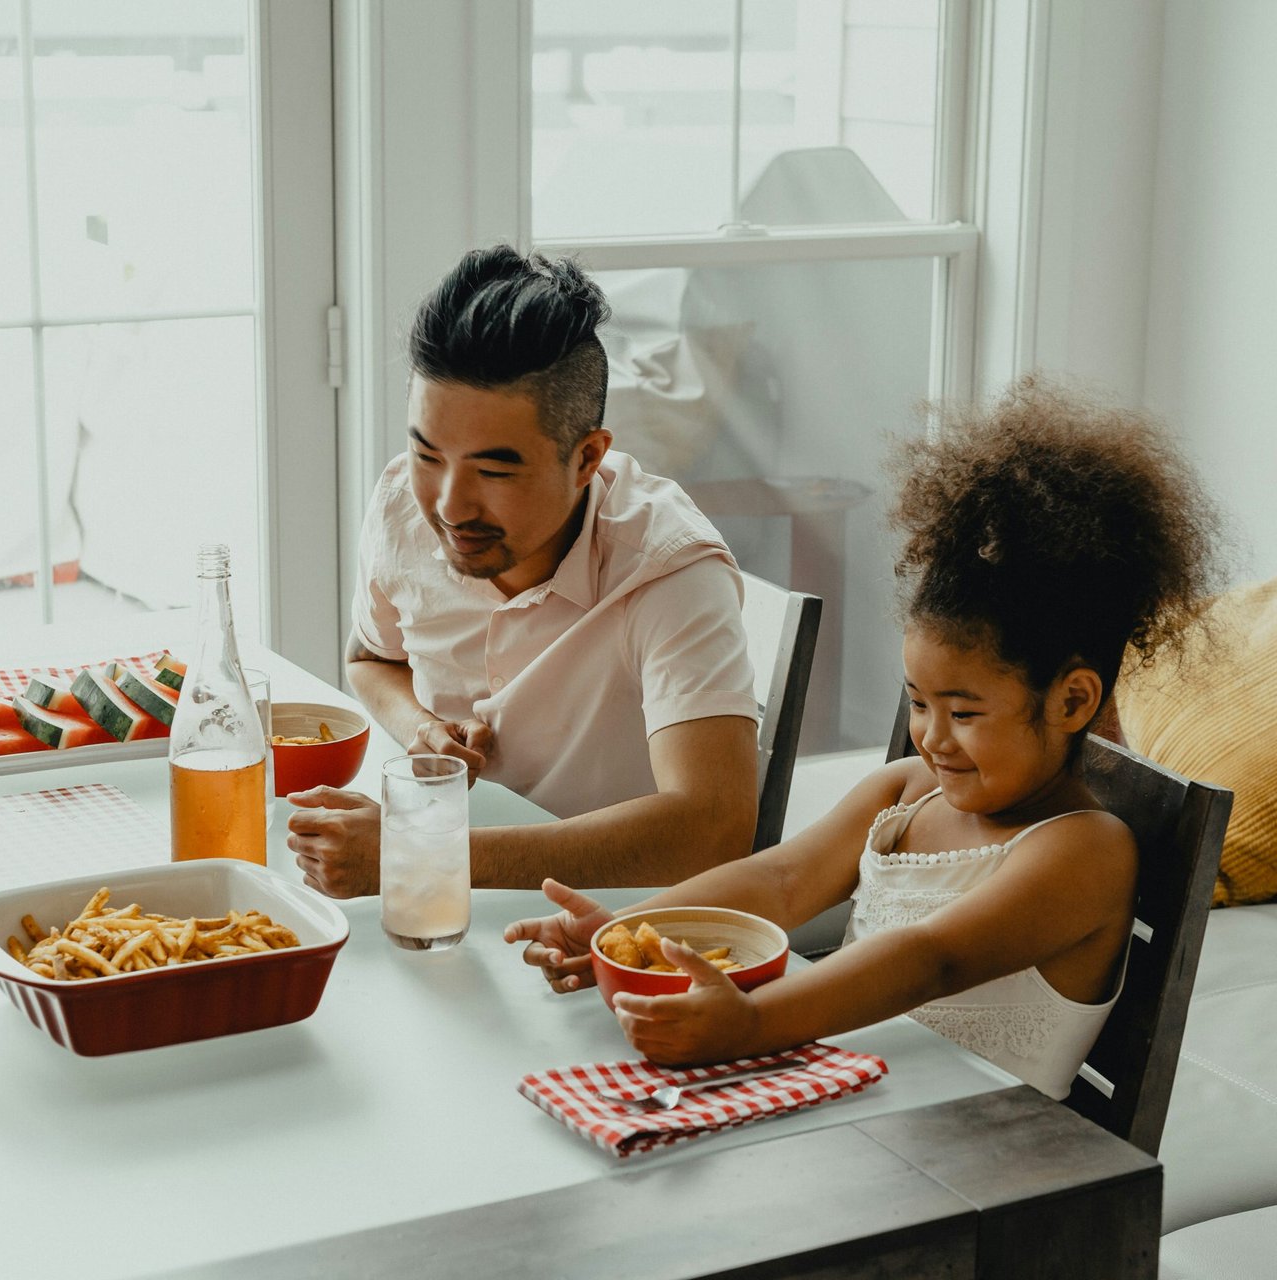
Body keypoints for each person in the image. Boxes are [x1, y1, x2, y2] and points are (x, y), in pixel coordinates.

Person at [504, 378, 1223, 1099]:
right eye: (918, 702)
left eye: (964, 713)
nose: (931, 738)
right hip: (851, 1107)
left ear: (1071, 700)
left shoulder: (1083, 850)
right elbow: (780, 880)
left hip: (988, 1170)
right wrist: (629, 928)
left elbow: (929, 958)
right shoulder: (904, 797)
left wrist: (750, 1024)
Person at [287, 245, 761, 896]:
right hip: (446, 901)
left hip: (612, 922)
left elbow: (713, 829)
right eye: (428, 453)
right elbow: (370, 659)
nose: (450, 504)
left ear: (588, 458)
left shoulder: (668, 572)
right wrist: (421, 729)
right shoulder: (403, 501)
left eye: (494, 470)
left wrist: (424, 853)